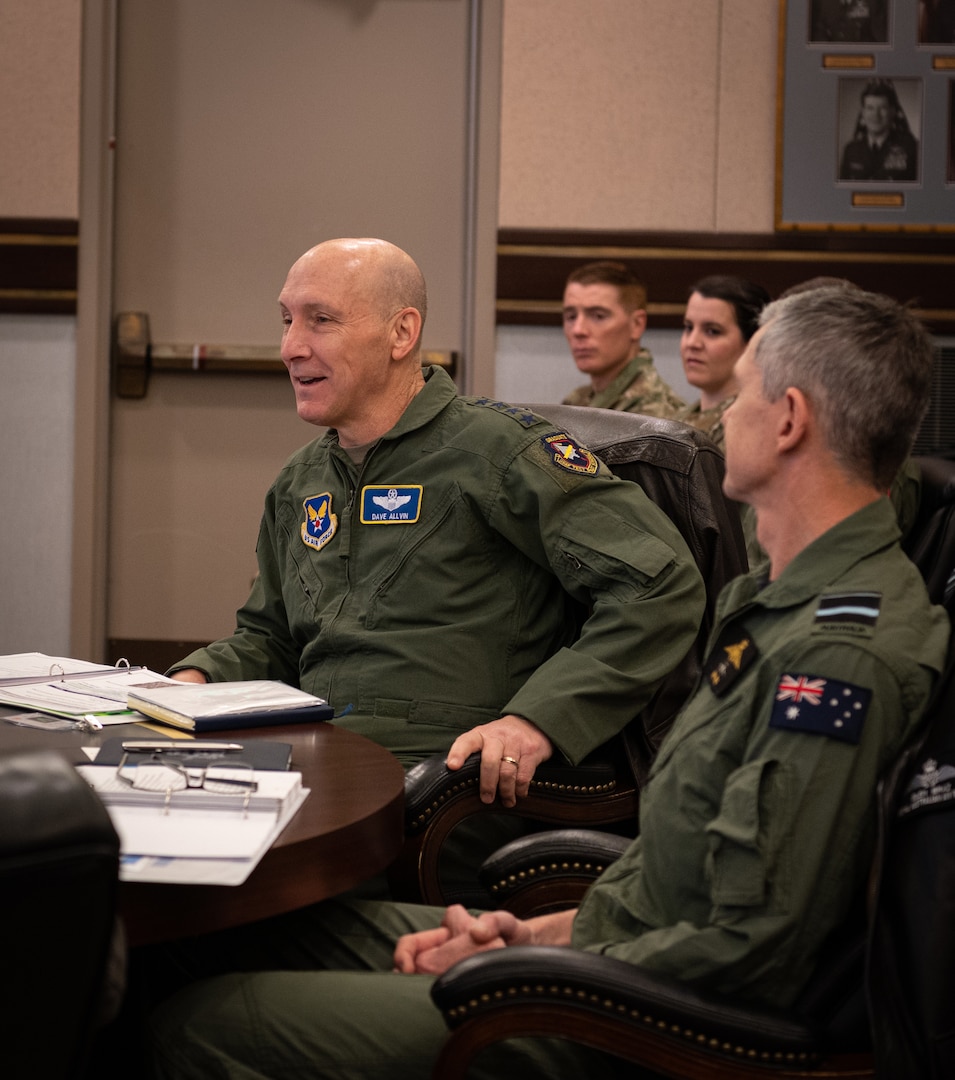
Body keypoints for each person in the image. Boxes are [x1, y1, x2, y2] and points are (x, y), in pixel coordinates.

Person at [148, 285, 949, 1080]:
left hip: (622, 1017)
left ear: (789, 420)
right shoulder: (776, 610)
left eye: (738, 394)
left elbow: (750, 947)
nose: (718, 418)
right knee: (201, 933)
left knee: (193, 1028)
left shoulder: (835, 659)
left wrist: (535, 972)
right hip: (595, 952)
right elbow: (677, 872)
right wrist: (529, 936)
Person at [168, 238, 704, 816]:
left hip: (443, 783)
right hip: (310, 762)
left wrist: (537, 720)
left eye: (321, 321)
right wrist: (191, 682)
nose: (291, 347)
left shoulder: (499, 453)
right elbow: (270, 637)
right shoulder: (301, 480)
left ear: (402, 333)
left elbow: (659, 584)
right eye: (287, 321)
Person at [560, 260, 686, 417]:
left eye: (598, 316)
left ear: (636, 324)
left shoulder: (655, 415)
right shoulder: (578, 401)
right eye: (571, 317)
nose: (578, 330)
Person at [675, 274, 770, 451]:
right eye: (688, 327)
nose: (692, 343)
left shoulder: (753, 429)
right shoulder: (675, 421)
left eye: (712, 331)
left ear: (752, 343)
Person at [839, 79, 919, 183]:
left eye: (882, 108)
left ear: (893, 111)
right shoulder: (850, 150)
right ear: (863, 112)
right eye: (870, 108)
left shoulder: (911, 148)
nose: (876, 115)